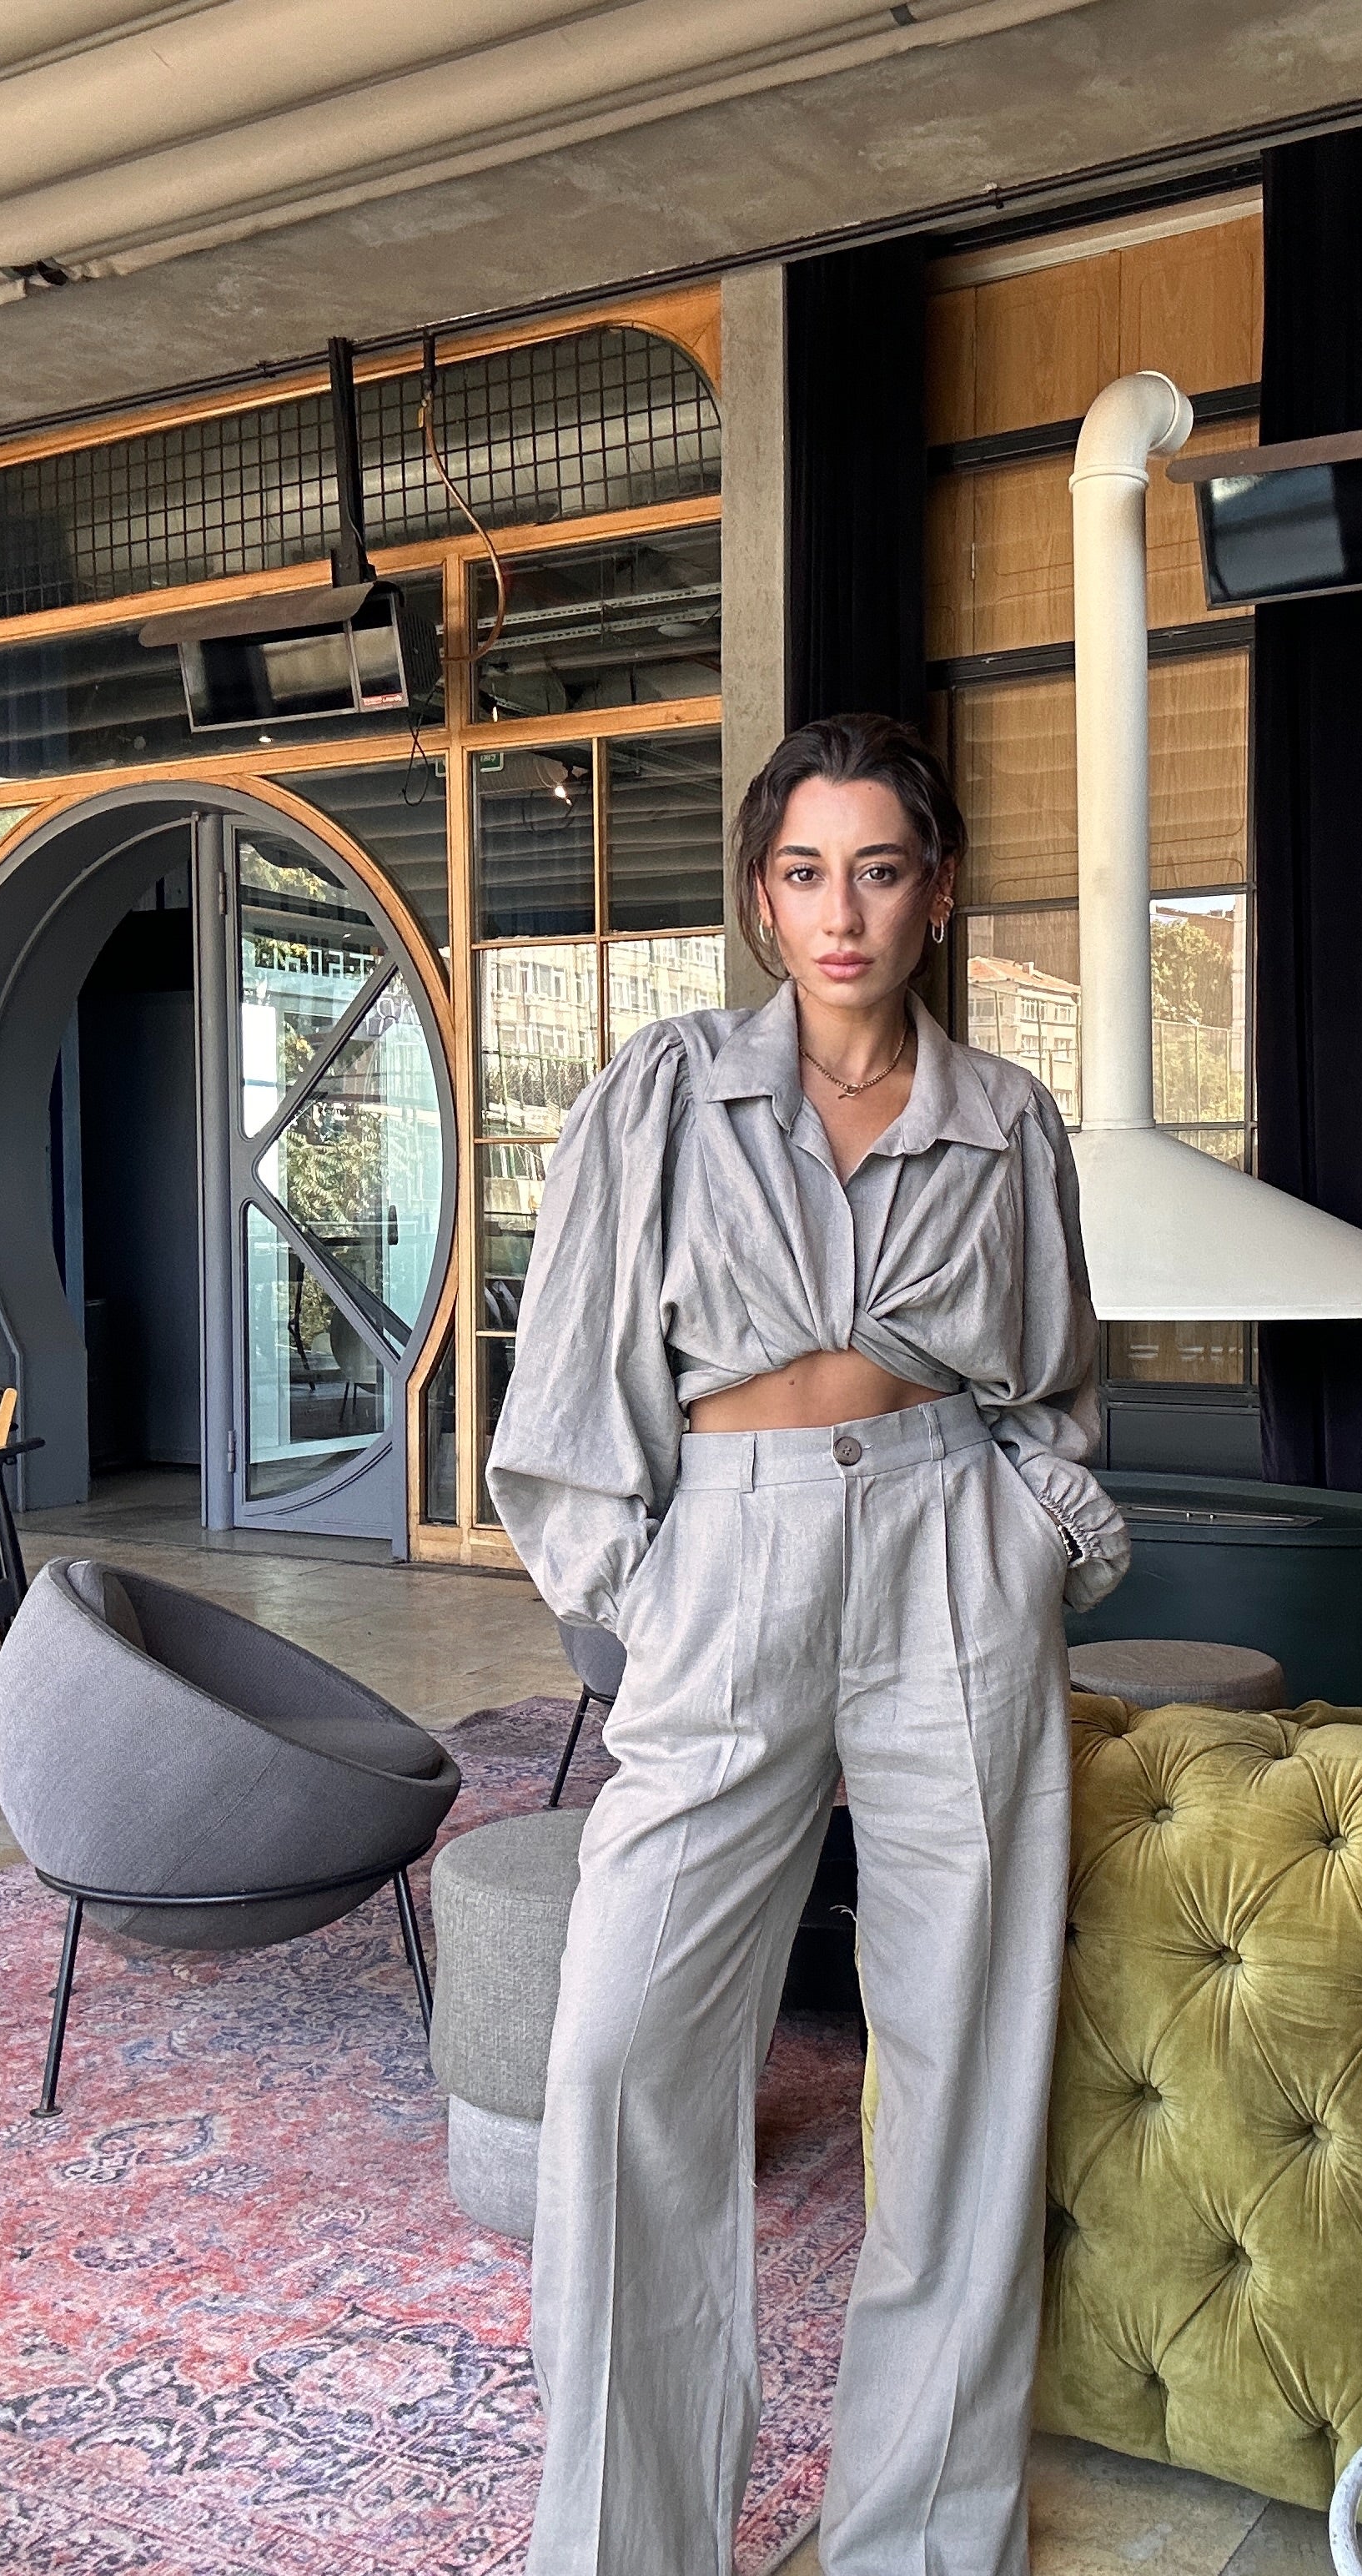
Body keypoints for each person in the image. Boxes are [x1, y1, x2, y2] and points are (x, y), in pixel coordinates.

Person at [486, 712, 1129, 2576]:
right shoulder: (663, 1093)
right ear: (762, 901)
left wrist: (1025, 1539)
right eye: (803, 872)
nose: (840, 912)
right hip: (730, 1552)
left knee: (962, 2063)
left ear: (938, 896)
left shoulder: (1006, 1119)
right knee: (620, 2052)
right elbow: (573, 1379)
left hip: (952, 1556)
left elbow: (1057, 1382)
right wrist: (653, 1589)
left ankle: (918, 2540)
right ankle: (627, 2545)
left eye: (879, 870)